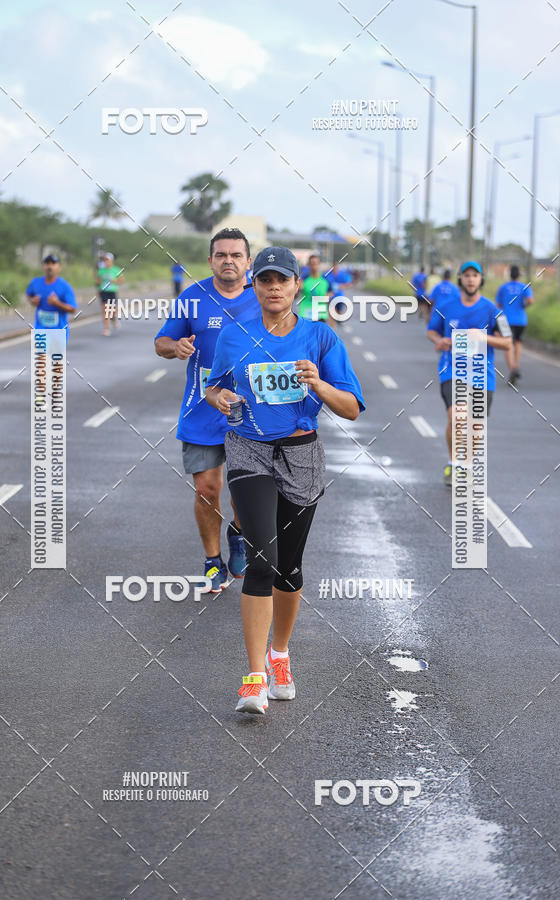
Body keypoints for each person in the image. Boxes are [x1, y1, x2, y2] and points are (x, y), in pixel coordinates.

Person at [205, 246, 365, 714]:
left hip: (301, 454)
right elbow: (214, 385)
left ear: (297, 286)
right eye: (265, 280)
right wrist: (219, 398)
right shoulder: (234, 337)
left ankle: (280, 655)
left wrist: (318, 384)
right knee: (262, 560)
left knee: (289, 569)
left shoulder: (320, 338)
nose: (273, 288)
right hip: (249, 449)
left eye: (283, 280)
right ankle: (253, 679)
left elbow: (352, 408)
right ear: (254, 286)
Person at [154, 228, 260, 592]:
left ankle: (239, 535)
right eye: (221, 255)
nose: (228, 260)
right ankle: (212, 559)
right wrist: (176, 347)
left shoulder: (262, 297)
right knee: (206, 489)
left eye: (235, 255)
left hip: (251, 411)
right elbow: (161, 342)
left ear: (248, 261)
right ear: (211, 260)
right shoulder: (192, 298)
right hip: (202, 410)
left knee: (245, 493)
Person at [427, 261, 512, 486]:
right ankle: (454, 464)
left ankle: (467, 465)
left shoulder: (494, 310)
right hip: (452, 369)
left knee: (475, 423)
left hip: (482, 374)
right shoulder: (446, 306)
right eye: (466, 275)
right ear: (460, 279)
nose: (471, 279)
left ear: (481, 279)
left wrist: (482, 337)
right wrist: (440, 340)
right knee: (456, 416)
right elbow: (431, 331)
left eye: (475, 275)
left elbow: (507, 342)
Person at [495, 265, 534, 385]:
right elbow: (530, 300)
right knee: (518, 342)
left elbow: (498, 305)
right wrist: (523, 306)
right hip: (521, 320)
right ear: (519, 275)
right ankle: (516, 365)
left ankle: (512, 368)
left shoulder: (503, 287)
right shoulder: (524, 287)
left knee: (508, 343)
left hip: (506, 319)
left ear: (510, 274)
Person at [26, 254, 78, 335]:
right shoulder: (35, 282)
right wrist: (32, 301)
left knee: (52, 348)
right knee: (40, 348)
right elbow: (29, 294)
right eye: (47, 263)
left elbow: (73, 309)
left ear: (59, 268)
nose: (49, 266)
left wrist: (57, 303)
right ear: (43, 267)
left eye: (53, 263)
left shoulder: (65, 286)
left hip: (58, 332)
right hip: (40, 331)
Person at [298, 253, 334, 327]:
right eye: (311, 264)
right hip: (305, 313)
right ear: (308, 265)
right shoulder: (303, 279)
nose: (313, 266)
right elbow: (295, 296)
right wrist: (298, 289)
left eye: (315, 263)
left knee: (319, 337)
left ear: (319, 264)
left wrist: (328, 296)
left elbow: (332, 292)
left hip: (320, 314)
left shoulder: (326, 279)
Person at [97, 252, 124, 336]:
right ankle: (106, 328)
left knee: (113, 310)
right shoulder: (101, 270)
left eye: (107, 260)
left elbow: (121, 280)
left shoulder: (116, 270)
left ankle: (114, 319)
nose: (106, 261)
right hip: (104, 291)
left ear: (111, 261)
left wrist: (114, 281)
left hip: (112, 291)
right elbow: (98, 281)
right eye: (104, 260)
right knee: (105, 309)